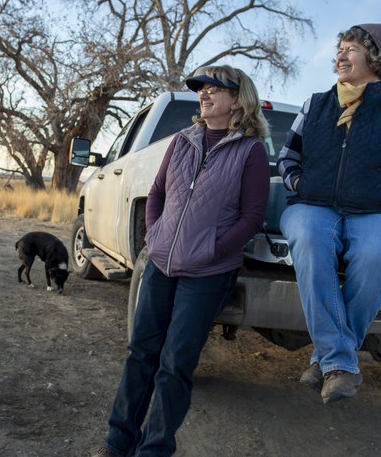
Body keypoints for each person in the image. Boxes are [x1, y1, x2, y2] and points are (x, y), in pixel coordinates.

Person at [93, 65, 271, 457]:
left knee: (175, 364)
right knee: (141, 353)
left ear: (237, 100)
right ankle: (116, 442)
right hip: (160, 264)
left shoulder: (251, 150)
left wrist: (212, 250)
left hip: (207, 275)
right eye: (201, 89)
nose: (204, 95)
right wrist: (155, 236)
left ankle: (154, 449)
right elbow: (155, 195)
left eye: (213, 89)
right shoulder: (181, 141)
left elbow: (251, 218)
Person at [276, 23, 381, 404]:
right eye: (339, 49)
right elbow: (287, 156)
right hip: (313, 205)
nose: (340, 56)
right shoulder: (315, 104)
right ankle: (341, 363)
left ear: (376, 57)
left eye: (351, 49)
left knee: (375, 256)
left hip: (375, 210)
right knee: (310, 243)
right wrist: (298, 184)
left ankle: (326, 359)